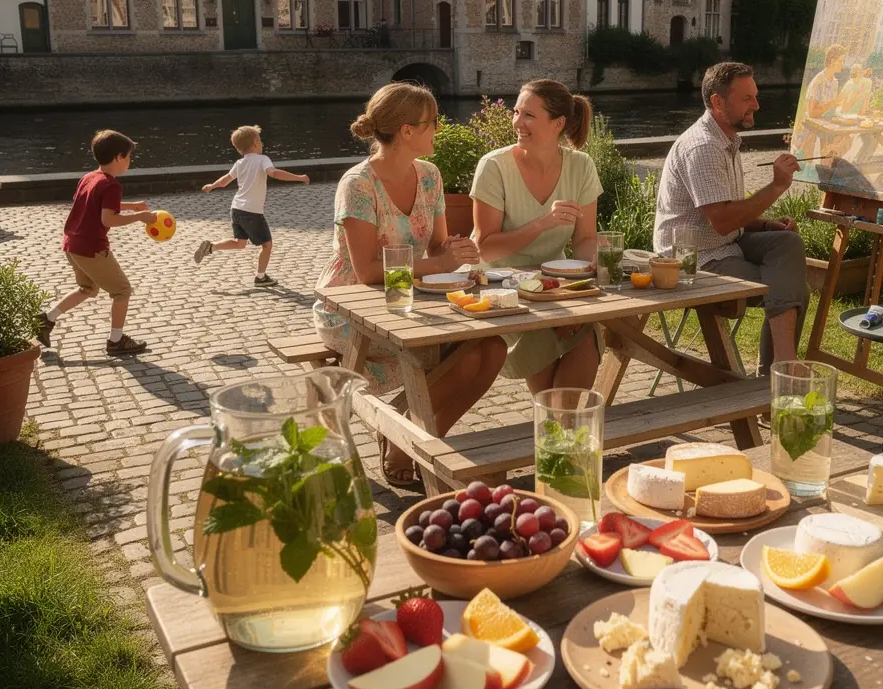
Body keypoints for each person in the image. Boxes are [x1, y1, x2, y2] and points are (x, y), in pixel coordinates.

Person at [316, 82, 506, 485]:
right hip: (352, 308)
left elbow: (436, 246)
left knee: (492, 348)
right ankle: (404, 440)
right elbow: (366, 270)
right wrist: (437, 262)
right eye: (432, 122)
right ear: (406, 131)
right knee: (465, 354)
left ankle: (413, 434)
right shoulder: (359, 185)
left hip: (410, 298)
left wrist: (457, 253)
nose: (438, 129)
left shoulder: (430, 176)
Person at [654, 62, 808, 369]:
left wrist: (764, 224)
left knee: (787, 243)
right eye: (747, 98)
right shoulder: (703, 147)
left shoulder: (726, 139)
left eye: (756, 96)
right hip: (692, 258)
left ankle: (777, 371)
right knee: (790, 288)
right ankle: (782, 371)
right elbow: (722, 220)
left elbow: (725, 213)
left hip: (722, 241)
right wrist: (777, 186)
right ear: (718, 102)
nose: (757, 105)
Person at [472, 79, 603, 392]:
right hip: (498, 287)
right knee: (544, 331)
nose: (517, 122)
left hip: (552, 285)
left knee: (587, 331)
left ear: (558, 123)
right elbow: (485, 249)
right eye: (516, 112)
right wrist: (542, 223)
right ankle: (556, 431)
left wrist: (595, 266)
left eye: (528, 115)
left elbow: (585, 239)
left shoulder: (581, 166)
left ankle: (563, 432)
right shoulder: (494, 167)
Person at [35, 129, 158, 356]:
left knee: (88, 288)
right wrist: (140, 216)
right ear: (118, 157)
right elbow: (108, 218)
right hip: (92, 248)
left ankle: (46, 318)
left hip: (72, 244)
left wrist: (132, 206)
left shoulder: (90, 178)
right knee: (122, 291)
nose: (130, 162)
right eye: (129, 157)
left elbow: (95, 205)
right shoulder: (111, 185)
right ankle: (116, 341)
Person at [193, 125, 309, 287]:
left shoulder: (240, 163)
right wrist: (299, 177)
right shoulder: (263, 159)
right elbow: (274, 173)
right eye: (260, 140)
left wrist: (212, 185)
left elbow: (226, 180)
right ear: (255, 142)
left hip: (236, 208)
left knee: (240, 243)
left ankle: (211, 247)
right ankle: (260, 277)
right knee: (267, 245)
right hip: (252, 212)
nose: (262, 144)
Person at [791, 44, 846, 159]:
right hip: (812, 127)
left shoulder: (834, 82)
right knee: (806, 162)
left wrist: (839, 107)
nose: (843, 64)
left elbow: (831, 108)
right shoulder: (818, 82)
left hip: (826, 124)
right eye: (841, 60)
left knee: (845, 140)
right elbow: (812, 114)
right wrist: (833, 103)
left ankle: (826, 167)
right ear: (832, 61)